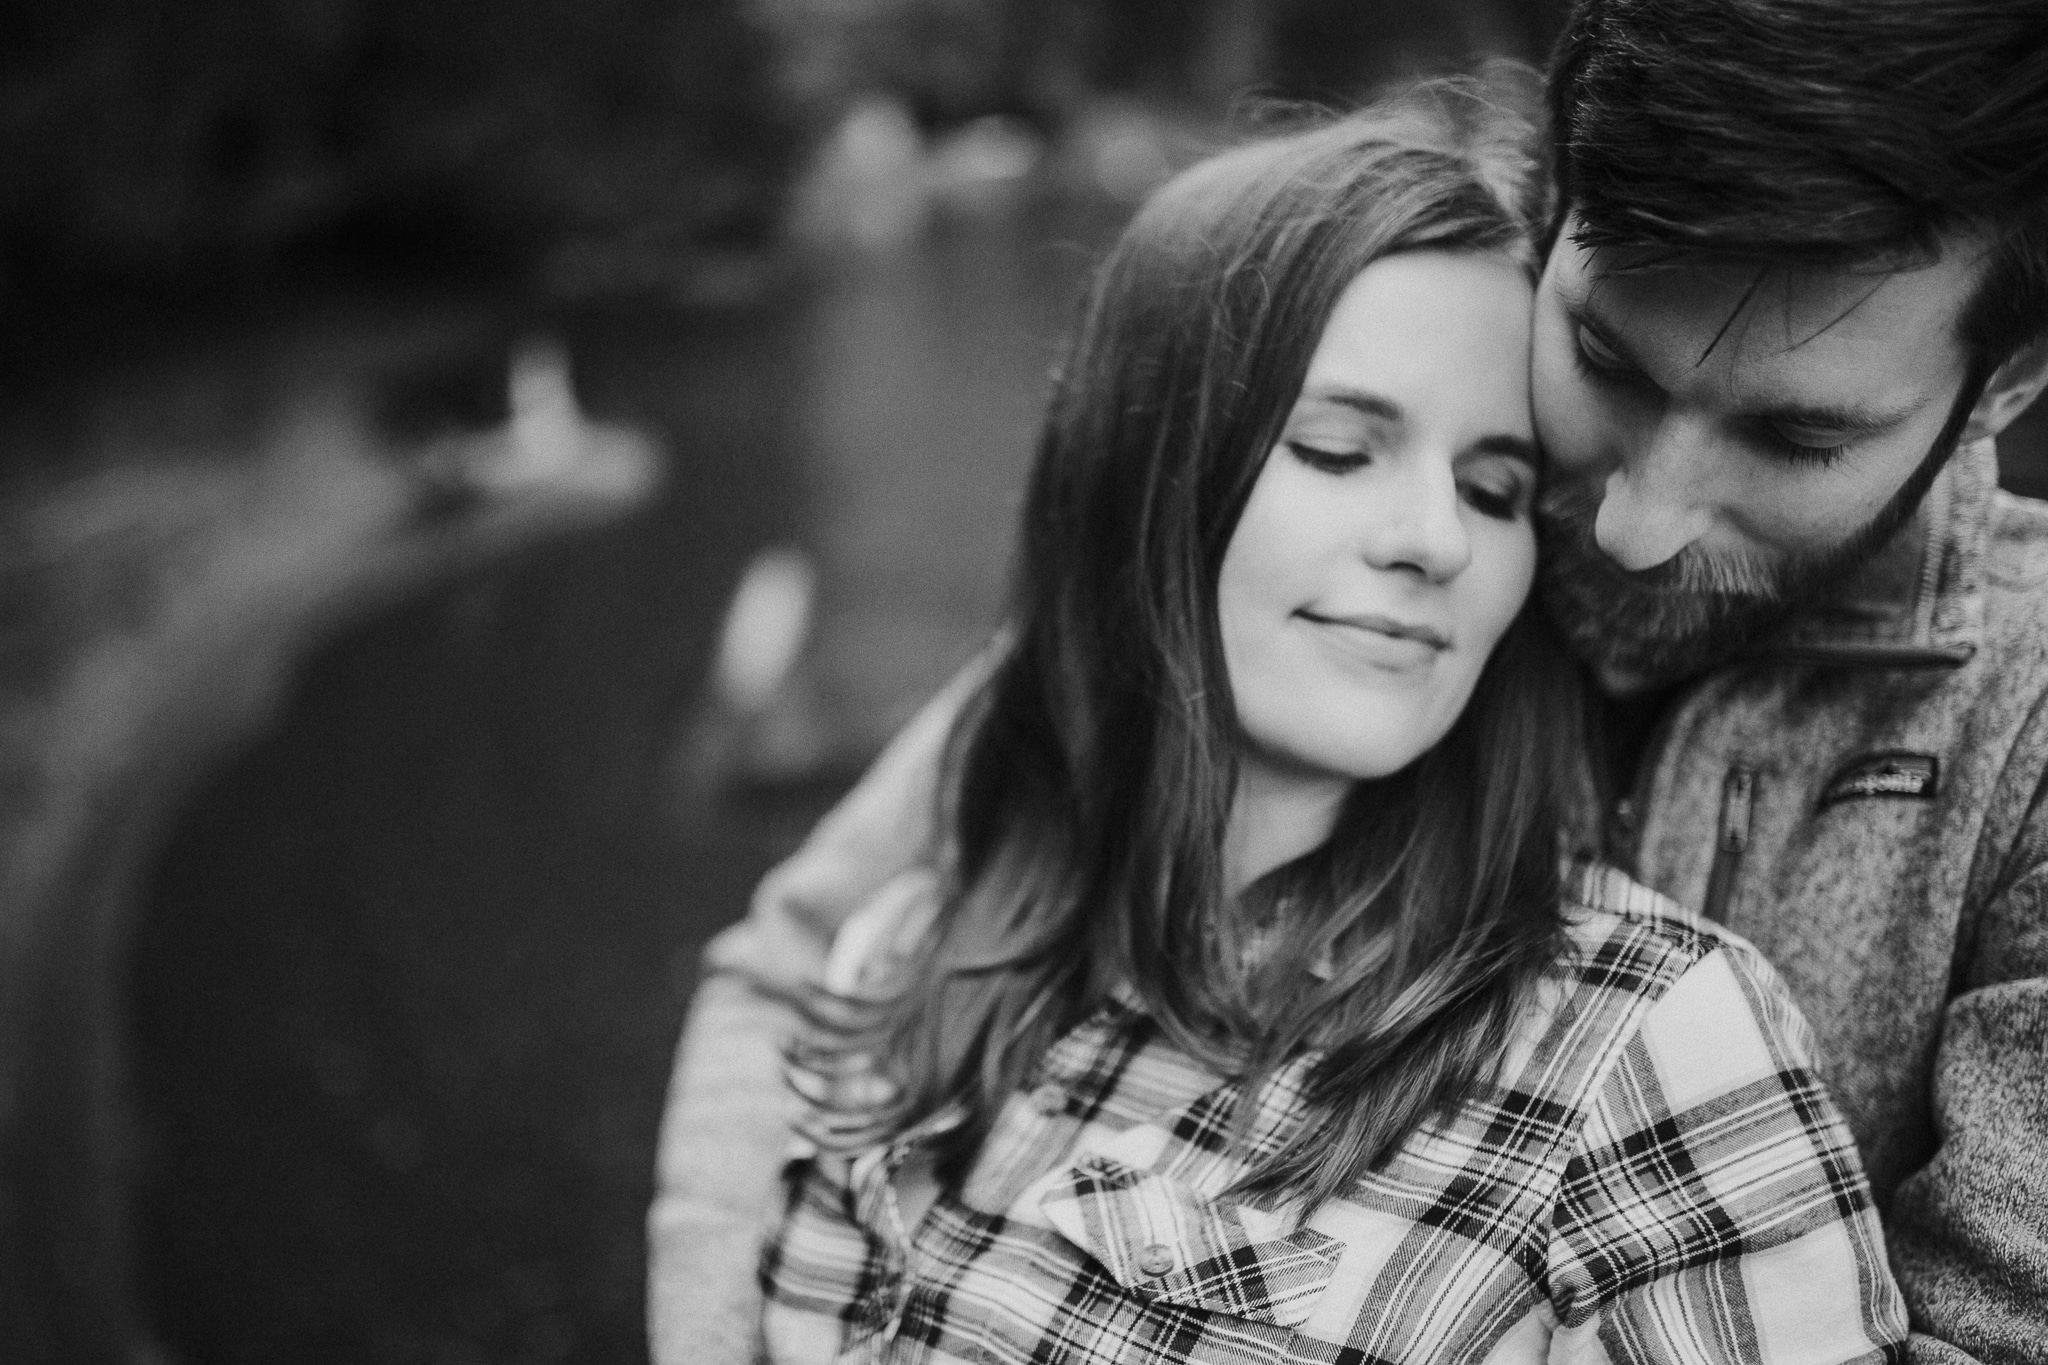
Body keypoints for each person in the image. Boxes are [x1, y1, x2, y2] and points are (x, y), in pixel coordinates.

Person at [652, 3, 2048, 1360]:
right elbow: (812, 972)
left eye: (1797, 439)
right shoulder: (1270, 583)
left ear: (2003, 384)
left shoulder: (2015, 730)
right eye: (1606, 358)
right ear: (1553, 217)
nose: (1631, 524)